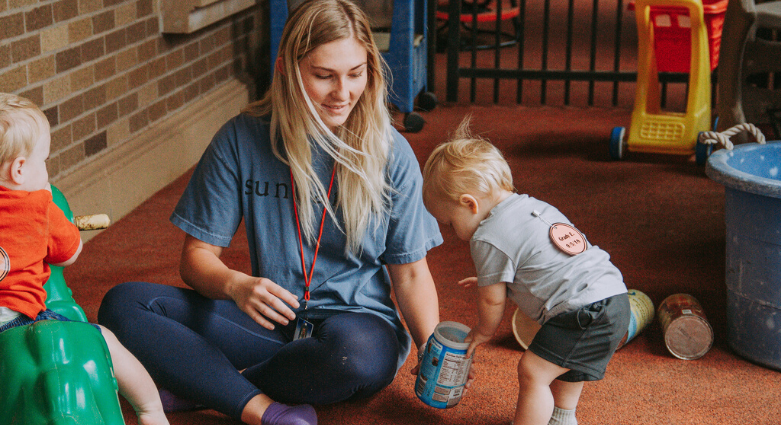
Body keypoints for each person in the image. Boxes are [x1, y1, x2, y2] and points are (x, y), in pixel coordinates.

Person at [97, 1, 443, 424]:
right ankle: (260, 406)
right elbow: (196, 260)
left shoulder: (392, 152)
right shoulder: (240, 139)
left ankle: (210, 384)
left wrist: (432, 349)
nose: (343, 93)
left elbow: (409, 272)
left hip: (354, 328)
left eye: (356, 73)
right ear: (286, 68)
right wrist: (237, 286)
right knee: (124, 305)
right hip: (267, 322)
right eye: (324, 76)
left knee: (359, 359)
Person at [421, 117, 630, 425]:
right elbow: (540, 260)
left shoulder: (486, 236)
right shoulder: (533, 206)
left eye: (450, 223)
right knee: (565, 363)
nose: (452, 231)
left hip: (584, 308)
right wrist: (494, 277)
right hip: (612, 296)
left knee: (532, 371)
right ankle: (562, 418)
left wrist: (483, 331)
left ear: (470, 204)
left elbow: (492, 301)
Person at [0, 93, 170, 425]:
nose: (46, 170)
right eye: (44, 160)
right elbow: (70, 253)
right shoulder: (41, 206)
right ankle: (151, 409)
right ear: (20, 169)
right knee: (104, 340)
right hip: (23, 320)